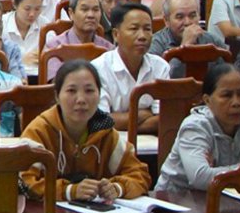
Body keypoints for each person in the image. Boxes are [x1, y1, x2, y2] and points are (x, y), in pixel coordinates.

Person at [20, 59, 152, 201]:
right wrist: (69, 191)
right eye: (71, 91)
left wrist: (118, 188)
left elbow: (140, 175)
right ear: (57, 96)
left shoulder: (106, 131)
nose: (81, 99)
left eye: (89, 90)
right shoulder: (39, 131)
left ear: (99, 94)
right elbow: (25, 183)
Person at [156, 62, 240, 191]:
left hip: (226, 200)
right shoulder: (195, 127)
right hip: (176, 200)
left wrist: (219, 171)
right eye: (227, 95)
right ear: (207, 100)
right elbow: (200, 178)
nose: (236, 102)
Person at [94, 3, 170, 130]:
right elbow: (100, 122)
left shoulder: (160, 66)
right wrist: (142, 114)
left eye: (147, 29)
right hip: (111, 142)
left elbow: (164, 119)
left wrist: (123, 121)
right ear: (116, 35)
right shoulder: (99, 68)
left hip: (153, 142)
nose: (142, 36)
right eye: (134, 29)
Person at [150, 0, 228, 78]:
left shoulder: (212, 41)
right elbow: (160, 79)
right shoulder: (155, 43)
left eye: (192, 16)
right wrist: (185, 46)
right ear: (166, 20)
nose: (187, 22)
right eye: (180, 17)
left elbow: (228, 76)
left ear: (199, 16)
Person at [43, 0, 114, 77]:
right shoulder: (54, 46)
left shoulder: (108, 49)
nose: (91, 15)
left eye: (95, 10)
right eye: (84, 9)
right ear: (71, 13)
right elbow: (56, 83)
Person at [2, 0, 47, 72]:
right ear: (15, 5)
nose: (32, 14)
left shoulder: (44, 24)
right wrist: (20, 60)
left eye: (37, 9)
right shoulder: (2, 24)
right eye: (27, 9)